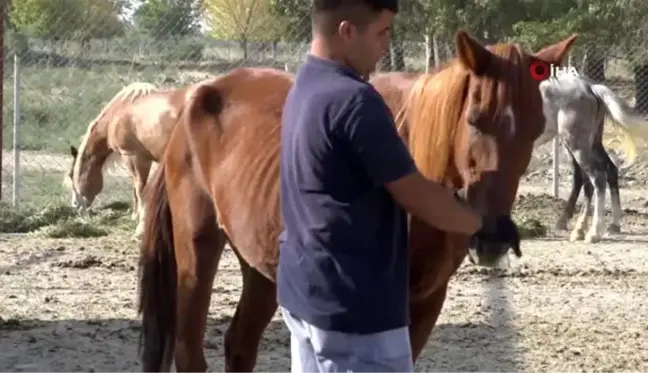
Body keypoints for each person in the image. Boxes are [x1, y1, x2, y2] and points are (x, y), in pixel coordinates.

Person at [277, 0, 520, 372]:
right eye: (382, 32)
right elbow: (416, 194)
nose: (387, 45)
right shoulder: (355, 101)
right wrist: (483, 224)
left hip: (305, 292)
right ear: (347, 32)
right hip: (357, 310)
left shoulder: (305, 85)